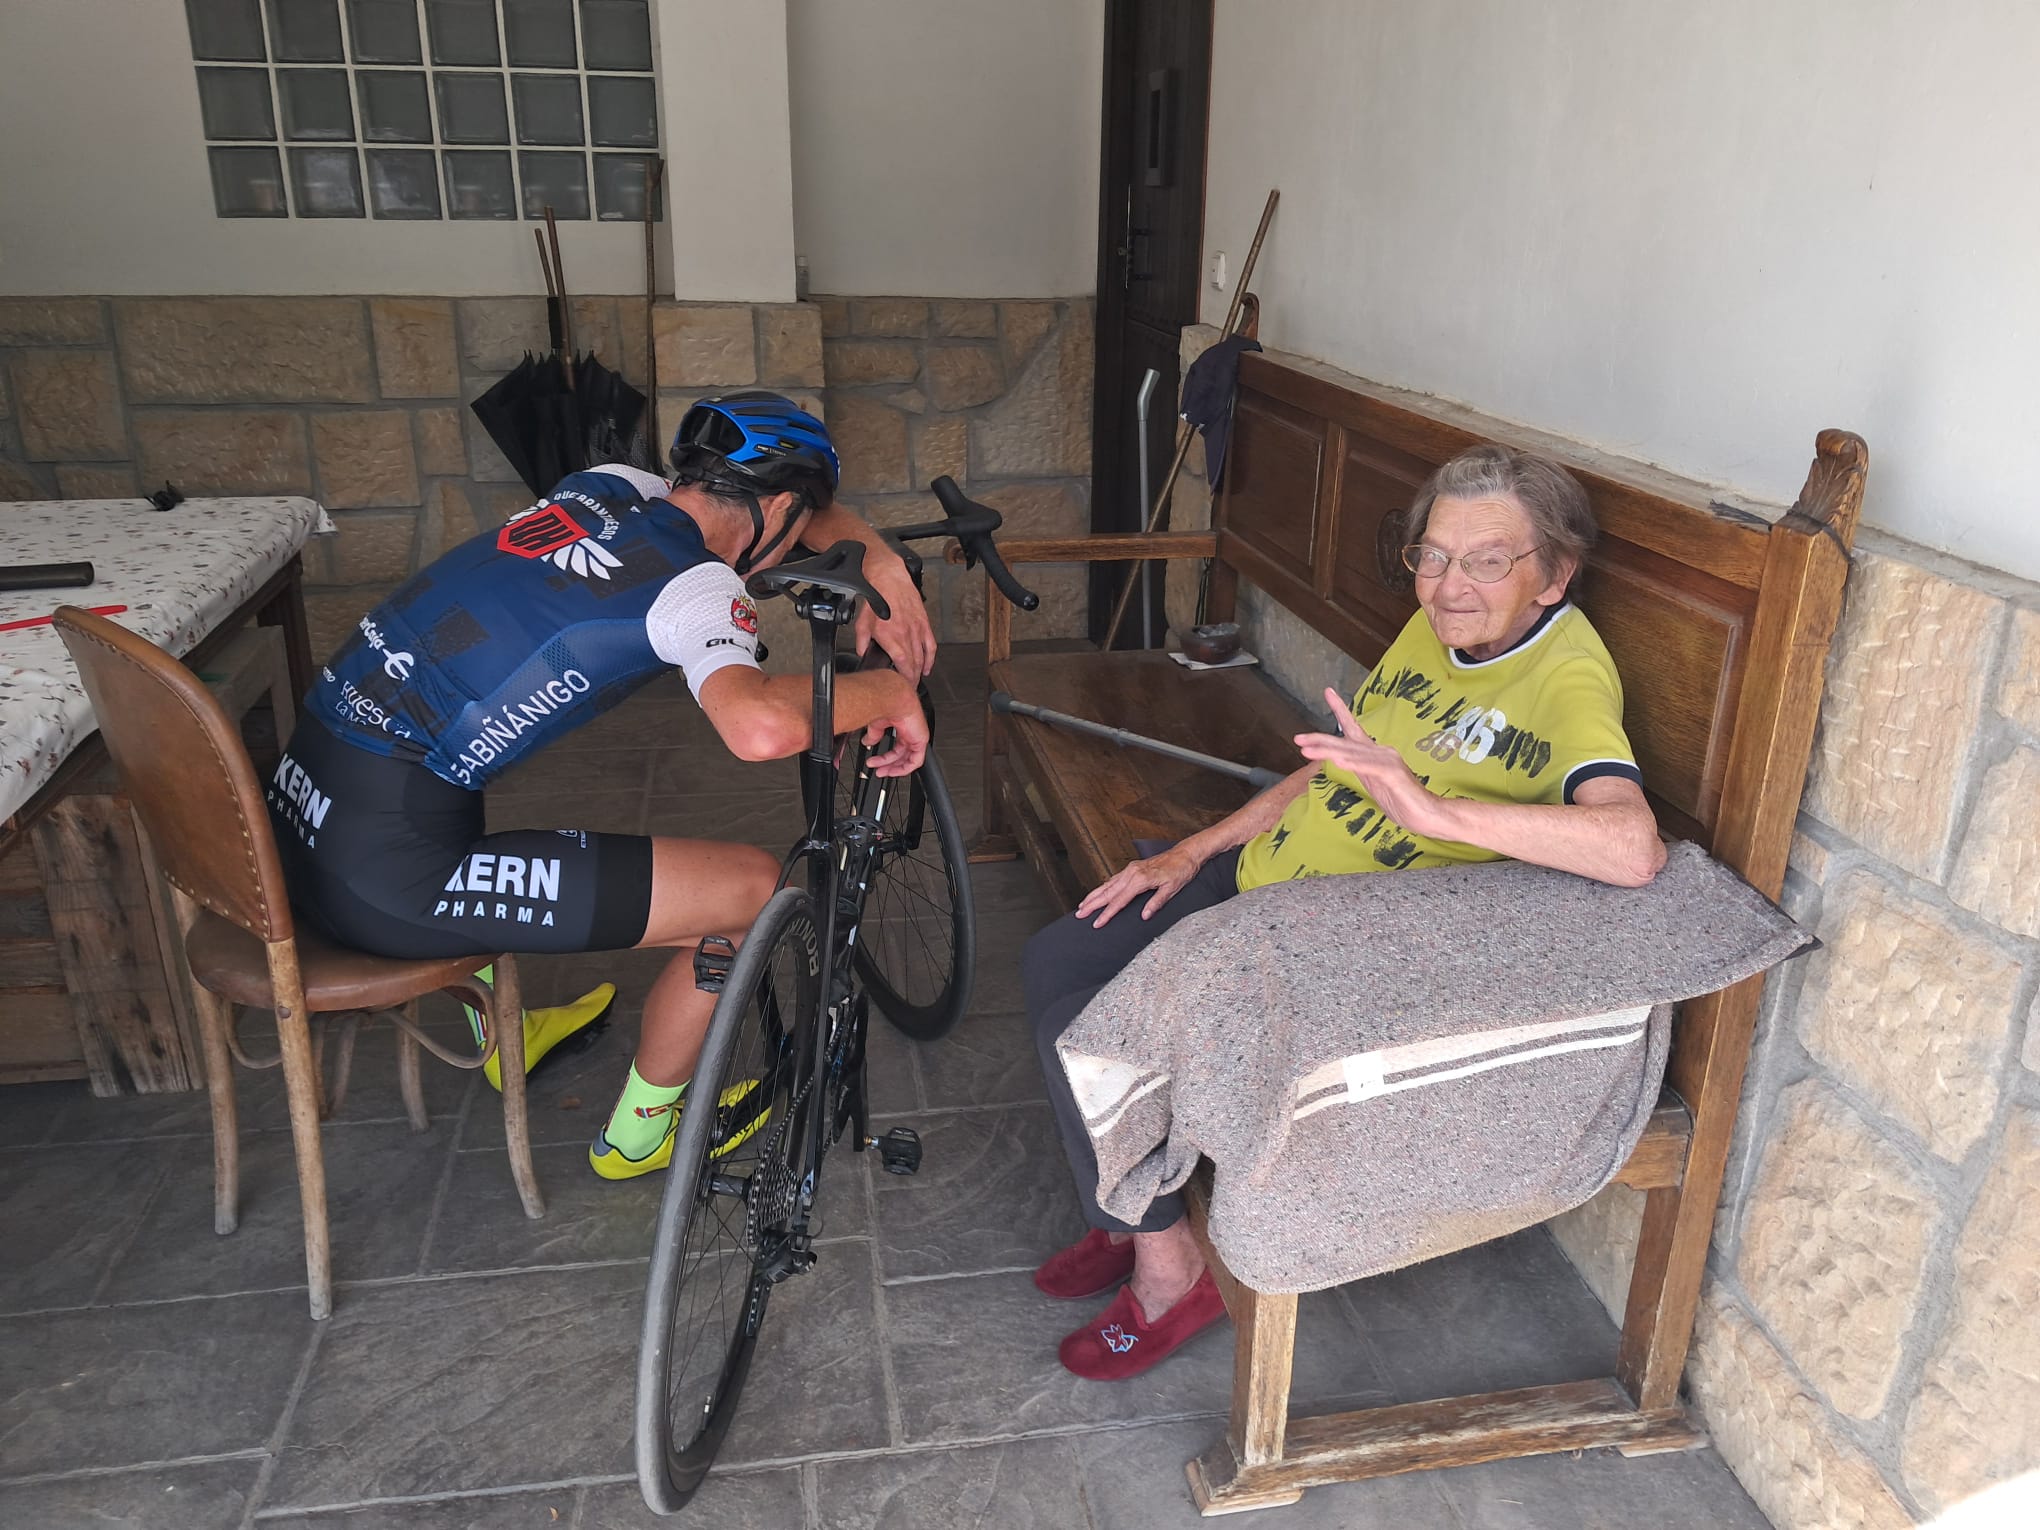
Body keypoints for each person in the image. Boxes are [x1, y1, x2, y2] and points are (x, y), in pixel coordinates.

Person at [1024, 444, 1666, 1380]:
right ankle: (1122, 1214)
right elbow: (1330, 771)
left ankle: (1170, 1269)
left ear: (1554, 576)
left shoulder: (1566, 679)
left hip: (1335, 947)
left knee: (1083, 1033)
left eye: (1489, 560)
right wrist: (1193, 850)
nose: (1450, 586)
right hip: (1262, 883)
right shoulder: (1438, 631)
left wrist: (1434, 811)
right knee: (1055, 960)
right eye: (1433, 556)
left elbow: (1634, 846)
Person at [265, 392, 936, 1180]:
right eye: (803, 516)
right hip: (384, 883)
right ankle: (639, 1137)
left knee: (451, 784)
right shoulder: (697, 589)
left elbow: (786, 508)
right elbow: (757, 730)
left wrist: (881, 564)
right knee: (753, 893)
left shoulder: (606, 486)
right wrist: (890, 693)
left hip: (297, 821)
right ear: (785, 506)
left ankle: (505, 1034)